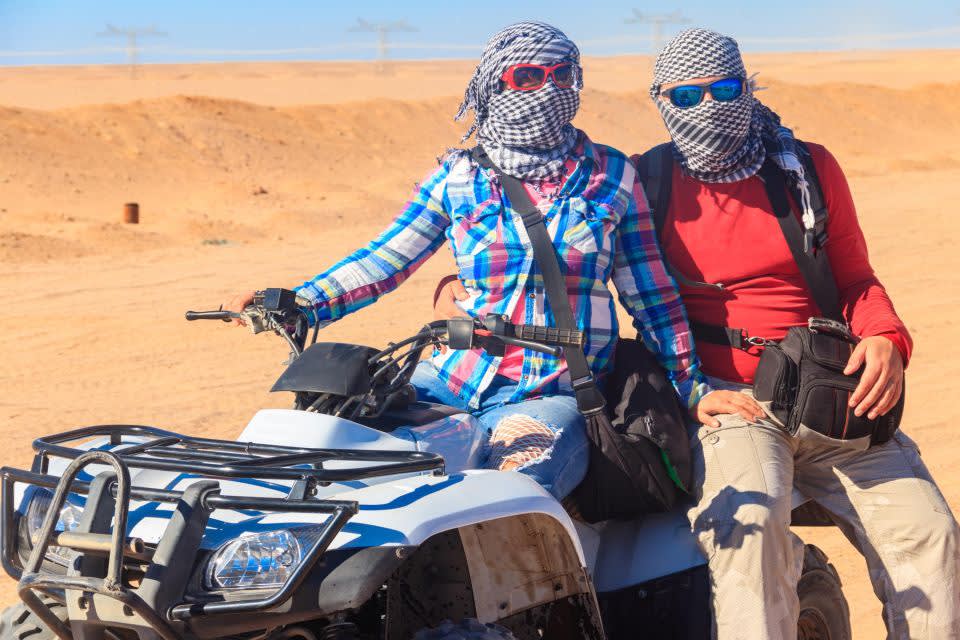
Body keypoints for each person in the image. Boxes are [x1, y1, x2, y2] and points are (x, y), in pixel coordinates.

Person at [436, 27, 960, 640]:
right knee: (749, 533)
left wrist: (886, 339)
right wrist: (471, 291)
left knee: (931, 536)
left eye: (726, 89)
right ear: (662, 101)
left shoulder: (804, 169)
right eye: (687, 96)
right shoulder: (648, 180)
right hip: (727, 400)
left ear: (748, 87)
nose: (709, 107)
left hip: (832, 393)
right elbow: (562, 250)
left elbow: (855, 277)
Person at [224, 22, 736, 502]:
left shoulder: (612, 175)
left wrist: (691, 387)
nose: (549, 89)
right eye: (529, 77)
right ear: (495, 85)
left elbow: (651, 294)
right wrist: (301, 302)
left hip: (553, 391)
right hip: (451, 378)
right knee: (335, 455)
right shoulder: (459, 177)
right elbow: (386, 259)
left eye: (563, 75)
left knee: (505, 494)